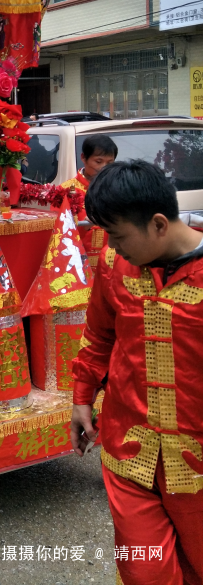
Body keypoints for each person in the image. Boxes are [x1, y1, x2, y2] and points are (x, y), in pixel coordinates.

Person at [71, 160, 203, 585]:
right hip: (129, 450)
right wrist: (81, 397)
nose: (111, 245)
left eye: (118, 234)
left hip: (196, 462)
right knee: (144, 571)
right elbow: (98, 334)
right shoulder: (114, 264)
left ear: (159, 224)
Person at [61, 134, 118, 267]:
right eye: (98, 162)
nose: (104, 168)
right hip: (78, 264)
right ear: (83, 158)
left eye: (110, 163)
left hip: (112, 264)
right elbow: (58, 234)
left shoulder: (119, 189)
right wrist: (83, 227)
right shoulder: (65, 190)